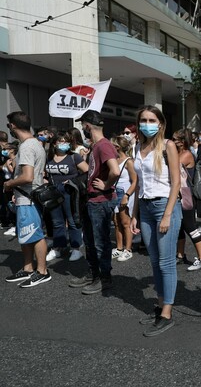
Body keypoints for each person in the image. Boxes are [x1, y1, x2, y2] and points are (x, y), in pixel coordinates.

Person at [131, 105, 182, 337]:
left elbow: (176, 182)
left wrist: (168, 214)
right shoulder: (137, 146)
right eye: (143, 120)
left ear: (161, 123)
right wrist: (134, 214)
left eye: (152, 120)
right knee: (154, 261)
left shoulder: (168, 146)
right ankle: (161, 305)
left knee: (166, 262)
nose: (147, 123)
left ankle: (167, 313)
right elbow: (139, 184)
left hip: (164, 205)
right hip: (145, 206)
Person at [68, 110, 119, 295]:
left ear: (87, 126)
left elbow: (115, 170)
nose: (83, 128)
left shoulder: (103, 145)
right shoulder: (97, 145)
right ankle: (93, 274)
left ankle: (104, 279)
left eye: (83, 125)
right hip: (92, 200)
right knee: (90, 241)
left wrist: (106, 185)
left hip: (100, 201)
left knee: (100, 242)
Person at [4, 111, 51, 287]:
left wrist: (9, 184)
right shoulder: (33, 144)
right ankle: (28, 268)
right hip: (27, 198)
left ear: (13, 126)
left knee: (36, 234)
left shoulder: (26, 147)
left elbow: (28, 177)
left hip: (28, 198)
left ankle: (42, 271)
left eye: (9, 125)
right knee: (26, 235)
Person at [45, 131, 89, 262]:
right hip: (53, 192)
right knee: (57, 222)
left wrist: (73, 182)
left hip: (70, 192)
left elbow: (87, 172)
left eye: (66, 142)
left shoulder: (74, 157)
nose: (64, 144)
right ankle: (58, 247)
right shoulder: (49, 158)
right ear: (54, 144)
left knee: (72, 221)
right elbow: (45, 174)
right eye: (61, 141)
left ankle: (76, 248)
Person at [171, 128, 201, 271]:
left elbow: (172, 167)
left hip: (185, 194)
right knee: (180, 227)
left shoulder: (186, 154)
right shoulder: (178, 152)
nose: (173, 141)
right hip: (178, 193)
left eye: (176, 139)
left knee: (190, 226)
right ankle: (180, 255)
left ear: (183, 141)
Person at [110, 136, 137, 262]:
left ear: (117, 147)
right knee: (116, 222)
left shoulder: (128, 161)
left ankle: (128, 249)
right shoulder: (114, 160)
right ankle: (119, 247)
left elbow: (135, 181)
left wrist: (127, 196)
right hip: (114, 192)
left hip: (125, 193)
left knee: (126, 222)